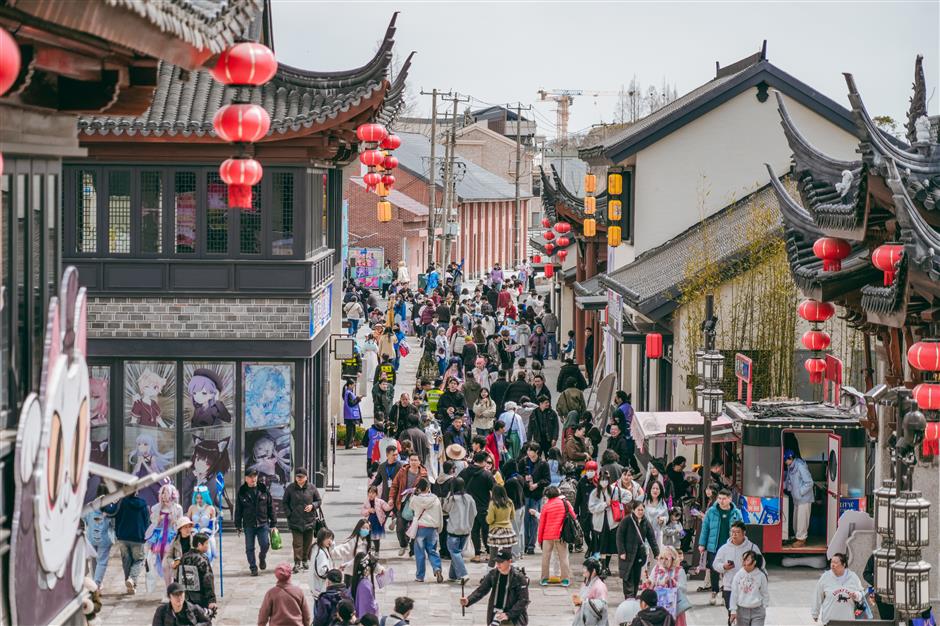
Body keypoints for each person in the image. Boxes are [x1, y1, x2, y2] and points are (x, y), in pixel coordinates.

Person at [461, 547, 530, 626]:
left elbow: (523, 600)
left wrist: (508, 615)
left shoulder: (519, 578)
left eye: (501, 562)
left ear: (509, 562)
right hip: (495, 614)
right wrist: (468, 600)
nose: (498, 565)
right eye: (497, 562)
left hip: (512, 617)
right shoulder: (493, 574)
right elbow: (481, 590)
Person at [698, 489, 743, 605]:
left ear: (730, 499)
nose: (721, 501)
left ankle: (725, 593)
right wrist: (702, 544)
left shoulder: (736, 513)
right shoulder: (711, 512)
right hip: (714, 546)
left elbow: (742, 529)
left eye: (724, 499)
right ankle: (714, 590)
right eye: (719, 498)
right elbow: (705, 529)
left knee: (728, 570)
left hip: (730, 547)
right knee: (714, 569)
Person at [713, 521, 762, 618]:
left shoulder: (752, 547)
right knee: (732, 613)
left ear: (744, 533)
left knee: (745, 614)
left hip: (747, 587)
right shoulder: (724, 548)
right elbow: (715, 564)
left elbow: (761, 564)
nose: (734, 535)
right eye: (732, 532)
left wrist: (751, 567)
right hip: (729, 586)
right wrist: (724, 566)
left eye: (737, 532)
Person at [235, 468, 277, 576]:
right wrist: (238, 525)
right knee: (249, 547)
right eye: (250, 477)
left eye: (254, 476)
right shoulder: (242, 491)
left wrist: (273, 522)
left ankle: (262, 557)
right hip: (249, 525)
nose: (253, 479)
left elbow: (270, 506)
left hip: (262, 523)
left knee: (265, 544)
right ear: (246, 478)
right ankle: (253, 567)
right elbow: (238, 510)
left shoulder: (263, 489)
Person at [388, 453, 428, 557]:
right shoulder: (402, 472)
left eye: (416, 460)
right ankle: (403, 544)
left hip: (417, 504)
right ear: (409, 461)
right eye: (412, 460)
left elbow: (427, 489)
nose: (414, 462)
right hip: (402, 503)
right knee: (400, 527)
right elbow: (394, 485)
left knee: (415, 528)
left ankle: (413, 548)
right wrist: (391, 498)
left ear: (419, 462)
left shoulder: (423, 474)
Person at [617, 502, 659, 598]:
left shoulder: (645, 522)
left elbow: (651, 538)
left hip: (639, 554)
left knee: (636, 576)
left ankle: (633, 595)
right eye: (638, 510)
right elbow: (619, 537)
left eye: (642, 510)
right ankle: (628, 597)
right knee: (627, 575)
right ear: (633, 510)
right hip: (627, 553)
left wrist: (657, 553)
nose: (640, 512)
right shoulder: (626, 521)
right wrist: (622, 551)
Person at [459, 451, 496, 562]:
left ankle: (477, 554)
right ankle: (489, 553)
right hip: (484, 507)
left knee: (474, 530)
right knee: (486, 530)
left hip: (469, 507)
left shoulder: (465, 472)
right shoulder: (487, 474)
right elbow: (495, 489)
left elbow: (457, 483)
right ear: (484, 462)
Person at [283, 468, 322, 573]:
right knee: (297, 543)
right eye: (298, 477)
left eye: (302, 477)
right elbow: (285, 502)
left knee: (308, 543)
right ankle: (297, 562)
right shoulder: (290, 488)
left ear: (306, 477)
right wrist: (289, 514)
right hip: (295, 521)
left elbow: (319, 500)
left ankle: (305, 560)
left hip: (309, 520)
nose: (299, 479)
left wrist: (312, 506)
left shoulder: (311, 488)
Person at [408, 478, 444, 583]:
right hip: (432, 528)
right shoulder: (435, 499)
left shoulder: (415, 499)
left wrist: (415, 494)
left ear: (418, 488)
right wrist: (439, 528)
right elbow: (439, 514)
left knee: (419, 553)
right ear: (428, 488)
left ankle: (420, 576)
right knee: (432, 550)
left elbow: (411, 507)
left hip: (420, 528)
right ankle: (437, 569)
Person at [811, 553, 864, 625]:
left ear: (844, 564)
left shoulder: (853, 577)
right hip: (829, 620)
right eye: (831, 562)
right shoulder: (825, 577)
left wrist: (856, 595)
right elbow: (818, 595)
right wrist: (815, 613)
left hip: (848, 620)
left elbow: (861, 593)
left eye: (835, 563)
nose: (832, 565)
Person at [114, 490, 150, 594]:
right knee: (139, 560)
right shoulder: (143, 504)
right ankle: (132, 579)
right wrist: (145, 535)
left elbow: (117, 518)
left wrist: (118, 532)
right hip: (138, 537)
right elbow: (146, 521)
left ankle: (131, 585)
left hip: (123, 536)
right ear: (136, 492)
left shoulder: (121, 503)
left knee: (126, 561)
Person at [537, 485, 574, 586]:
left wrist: (539, 539)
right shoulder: (566, 503)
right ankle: (565, 580)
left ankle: (544, 579)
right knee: (563, 557)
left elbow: (541, 525)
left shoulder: (546, 506)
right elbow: (573, 516)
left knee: (546, 557)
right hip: (561, 535)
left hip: (547, 536)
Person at [442, 477, 477, 582]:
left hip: (454, 529)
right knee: (457, 553)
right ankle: (453, 576)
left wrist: (448, 495)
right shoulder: (469, 498)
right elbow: (474, 513)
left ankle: (463, 574)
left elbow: (445, 509)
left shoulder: (452, 498)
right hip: (466, 530)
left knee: (454, 552)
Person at [519, 443, 551, 555]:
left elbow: (547, 480)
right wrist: (525, 480)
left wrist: (537, 484)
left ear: (537, 452)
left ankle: (531, 545)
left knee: (534, 520)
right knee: (525, 519)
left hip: (537, 495)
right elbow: (519, 475)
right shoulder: (523, 461)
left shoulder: (543, 464)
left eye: (531, 450)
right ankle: (525, 544)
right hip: (526, 494)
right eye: (528, 450)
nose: (528, 452)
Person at [645, 546, 690, 626]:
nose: (663, 561)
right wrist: (649, 583)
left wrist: (674, 583)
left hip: (674, 607)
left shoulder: (679, 571)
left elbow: (684, 589)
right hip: (658, 606)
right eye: (661, 558)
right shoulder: (656, 568)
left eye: (666, 559)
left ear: (673, 559)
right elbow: (652, 582)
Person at [257, 562, 312, 626]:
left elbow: (263, 615)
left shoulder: (271, 593)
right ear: (290, 574)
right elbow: (306, 615)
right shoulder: (299, 591)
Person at [588, 470, 621, 576]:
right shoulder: (594, 493)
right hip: (600, 522)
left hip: (611, 521)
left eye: (606, 480)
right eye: (602, 480)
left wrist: (616, 504)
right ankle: (602, 566)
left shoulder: (614, 491)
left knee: (610, 544)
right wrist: (604, 505)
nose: (604, 482)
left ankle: (607, 566)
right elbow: (591, 508)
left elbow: (626, 496)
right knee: (602, 544)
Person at [83, 489, 115, 588]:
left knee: (93, 560)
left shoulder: (90, 506)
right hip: (104, 539)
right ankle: (97, 583)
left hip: (91, 537)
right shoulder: (109, 509)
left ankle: (95, 582)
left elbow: (84, 519)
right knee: (102, 561)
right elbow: (113, 524)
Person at [783, 449, 814, 549]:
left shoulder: (800, 466)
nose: (784, 462)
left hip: (804, 499)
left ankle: (802, 539)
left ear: (791, 458)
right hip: (796, 498)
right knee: (796, 520)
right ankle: (797, 537)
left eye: (785, 460)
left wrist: (800, 492)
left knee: (802, 520)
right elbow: (789, 480)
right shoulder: (790, 467)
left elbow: (809, 482)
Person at [729, 550, 769, 626]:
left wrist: (764, 606)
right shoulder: (738, 575)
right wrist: (733, 610)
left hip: (758, 610)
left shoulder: (761, 575)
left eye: (747, 560)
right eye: (743, 559)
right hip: (742, 610)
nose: (744, 562)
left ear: (754, 562)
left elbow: (764, 592)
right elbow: (734, 593)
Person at [178, 533, 216, 611]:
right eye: (206, 543)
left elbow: (178, 577)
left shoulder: (184, 557)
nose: (207, 546)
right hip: (200, 597)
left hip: (185, 596)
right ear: (199, 544)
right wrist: (211, 600)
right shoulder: (202, 559)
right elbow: (207, 579)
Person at [485, 484, 518, 567]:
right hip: (508, 531)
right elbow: (513, 516)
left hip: (495, 532)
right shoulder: (510, 502)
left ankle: (490, 575)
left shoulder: (493, 503)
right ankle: (507, 573)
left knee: (493, 557)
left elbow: (490, 520)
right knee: (507, 556)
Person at [163, 516, 196, 585]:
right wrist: (173, 563)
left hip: (192, 570)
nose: (188, 529)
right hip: (178, 572)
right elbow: (169, 556)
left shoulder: (195, 539)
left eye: (189, 527)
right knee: (179, 592)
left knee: (190, 593)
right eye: (185, 527)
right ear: (180, 529)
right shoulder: (174, 541)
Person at [361, 485, 392, 555]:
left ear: (376, 494)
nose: (371, 495)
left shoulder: (380, 501)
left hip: (377, 522)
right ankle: (368, 551)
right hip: (368, 523)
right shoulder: (366, 502)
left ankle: (377, 551)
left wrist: (391, 504)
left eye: (373, 493)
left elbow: (386, 508)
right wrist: (368, 510)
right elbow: (362, 511)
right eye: (369, 493)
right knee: (368, 537)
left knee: (376, 538)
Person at [350, 552, 380, 621]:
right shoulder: (365, 585)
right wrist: (376, 604)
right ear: (367, 568)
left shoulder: (355, 580)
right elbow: (370, 608)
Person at [643, 482, 669, 549]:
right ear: (649, 489)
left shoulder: (662, 502)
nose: (655, 490)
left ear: (660, 491)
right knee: (645, 554)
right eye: (653, 488)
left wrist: (663, 519)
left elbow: (666, 516)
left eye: (657, 489)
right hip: (644, 532)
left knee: (656, 555)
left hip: (657, 533)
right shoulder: (643, 499)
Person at [342, 380, 363, 450]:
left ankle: (350, 444)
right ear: (350, 385)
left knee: (351, 430)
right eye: (353, 385)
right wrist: (358, 398)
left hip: (349, 415)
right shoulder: (349, 393)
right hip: (351, 415)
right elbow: (351, 403)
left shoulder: (347, 392)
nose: (354, 386)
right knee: (351, 431)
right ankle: (349, 445)